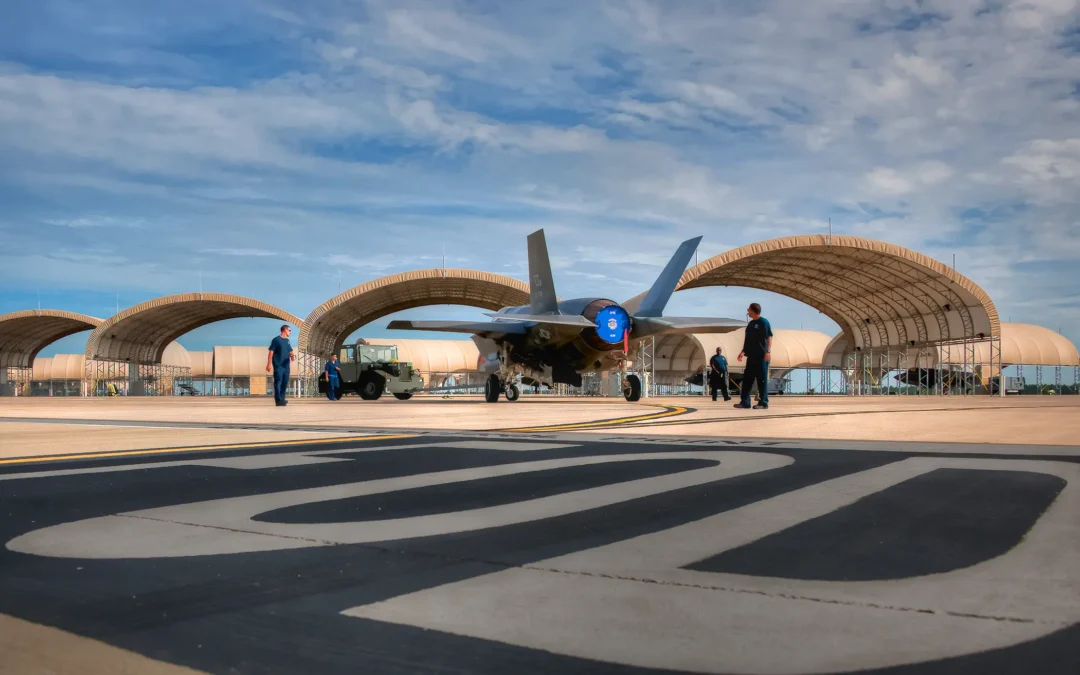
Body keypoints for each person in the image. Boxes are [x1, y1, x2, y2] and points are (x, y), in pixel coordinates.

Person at [735, 302, 773, 410]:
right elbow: (748, 340)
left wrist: (768, 351)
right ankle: (745, 402)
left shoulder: (763, 322)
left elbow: (769, 337)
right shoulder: (751, 324)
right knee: (747, 380)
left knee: (762, 380)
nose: (747, 311)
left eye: (749, 309)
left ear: (754, 310)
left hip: (761, 357)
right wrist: (742, 352)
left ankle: (763, 402)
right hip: (751, 357)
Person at [266, 324, 296, 406]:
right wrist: (269, 364)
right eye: (289, 330)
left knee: (285, 382)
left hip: (286, 365)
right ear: (285, 330)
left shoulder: (287, 341)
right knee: (278, 382)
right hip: (278, 365)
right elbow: (271, 352)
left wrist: (293, 356)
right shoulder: (276, 340)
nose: (290, 332)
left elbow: (290, 351)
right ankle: (278, 400)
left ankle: (282, 399)